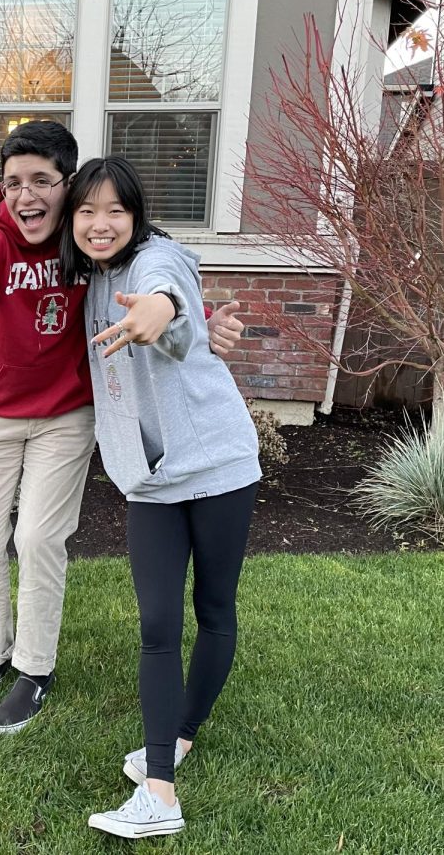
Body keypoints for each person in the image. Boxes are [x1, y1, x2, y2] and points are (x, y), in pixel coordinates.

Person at [0, 121, 244, 734]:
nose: (27, 196)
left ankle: (34, 668)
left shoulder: (85, 239)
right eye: (14, 182)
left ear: (66, 185)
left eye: (42, 181)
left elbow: (144, 278)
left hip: (65, 418)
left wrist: (198, 318)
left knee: (41, 539)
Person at [59, 155, 261, 839]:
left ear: (137, 216)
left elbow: (164, 292)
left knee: (214, 608)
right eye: (87, 210)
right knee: (155, 625)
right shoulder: (90, 279)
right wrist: (201, 317)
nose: (101, 223)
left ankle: (166, 768)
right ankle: (164, 765)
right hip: (150, 484)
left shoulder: (157, 260)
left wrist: (166, 310)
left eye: (116, 209)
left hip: (220, 463)